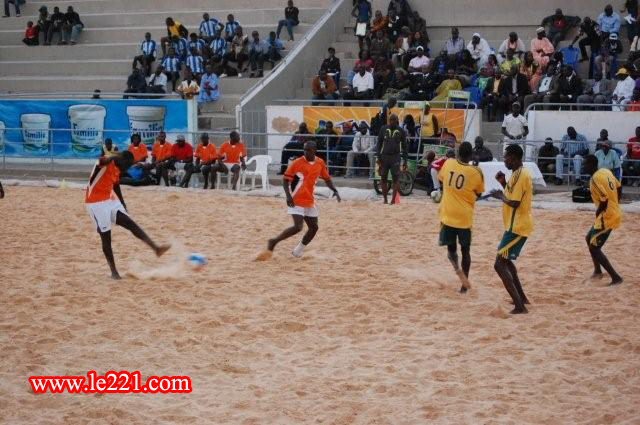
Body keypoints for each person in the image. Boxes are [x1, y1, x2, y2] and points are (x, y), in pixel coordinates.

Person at [85, 151, 170, 279]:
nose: (128, 168)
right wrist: (114, 157)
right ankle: (114, 272)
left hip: (110, 200)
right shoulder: (105, 162)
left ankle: (156, 248)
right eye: (128, 165)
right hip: (95, 203)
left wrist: (123, 203)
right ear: (122, 160)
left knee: (131, 224)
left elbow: (116, 185)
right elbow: (101, 161)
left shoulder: (117, 168)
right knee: (106, 237)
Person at [262, 141, 341, 259]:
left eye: (309, 150)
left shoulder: (320, 162)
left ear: (315, 150)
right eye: (304, 150)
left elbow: (327, 179)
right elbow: (285, 180)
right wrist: (288, 196)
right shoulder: (297, 163)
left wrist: (335, 191)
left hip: (309, 200)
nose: (306, 152)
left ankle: (298, 251)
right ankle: (273, 241)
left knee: (314, 228)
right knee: (298, 227)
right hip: (296, 199)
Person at [489, 144, 533, 314]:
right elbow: (512, 193)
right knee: (506, 261)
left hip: (518, 227)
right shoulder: (516, 174)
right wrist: (503, 184)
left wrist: (499, 196)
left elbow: (514, 202)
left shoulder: (522, 175)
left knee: (499, 264)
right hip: (515, 225)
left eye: (506, 157)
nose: (504, 159)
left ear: (514, 158)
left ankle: (520, 306)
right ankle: (521, 299)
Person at [437, 141, 485, 293]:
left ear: (457, 153)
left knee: (451, 250)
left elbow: (441, 179)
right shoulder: (476, 172)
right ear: (471, 155)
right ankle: (464, 286)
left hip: (448, 214)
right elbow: (479, 193)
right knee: (466, 251)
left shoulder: (448, 164)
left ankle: (457, 269)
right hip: (464, 217)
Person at [582, 154, 623, 285]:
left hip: (607, 216)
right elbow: (619, 186)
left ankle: (616, 277)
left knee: (594, 247)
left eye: (585, 164)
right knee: (589, 238)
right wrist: (616, 203)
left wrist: (598, 211)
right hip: (611, 212)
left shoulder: (594, 179)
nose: (583, 166)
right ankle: (598, 270)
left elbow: (604, 199)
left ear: (592, 165)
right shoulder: (605, 171)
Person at [375, 114, 408, 204]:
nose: (392, 122)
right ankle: (385, 199)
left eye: (394, 120)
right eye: (391, 120)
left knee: (395, 178)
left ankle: (393, 200)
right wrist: (378, 156)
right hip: (384, 157)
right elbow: (379, 143)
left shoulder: (401, 131)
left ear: (397, 121)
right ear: (389, 120)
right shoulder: (383, 128)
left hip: (395, 157)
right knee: (383, 178)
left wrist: (405, 160)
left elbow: (405, 146)